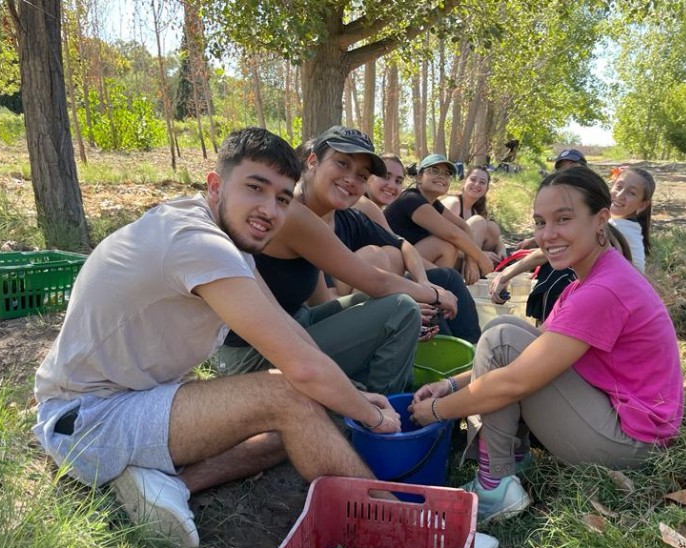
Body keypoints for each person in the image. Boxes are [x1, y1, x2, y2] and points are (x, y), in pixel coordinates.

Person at [32, 128, 402, 548]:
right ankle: (394, 530)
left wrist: (351, 396)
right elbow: (299, 368)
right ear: (215, 185)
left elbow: (290, 332)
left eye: (283, 198)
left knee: (303, 424)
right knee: (289, 398)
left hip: (139, 397)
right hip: (85, 420)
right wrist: (372, 416)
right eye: (255, 188)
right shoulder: (196, 242)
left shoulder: (230, 240)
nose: (269, 210)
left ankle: (171, 484)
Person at [408, 166, 683, 539]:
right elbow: (536, 348)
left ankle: (494, 486)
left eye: (563, 219)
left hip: (631, 443)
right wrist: (449, 387)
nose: (547, 234)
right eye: (540, 222)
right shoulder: (592, 277)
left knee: (502, 340)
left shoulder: (604, 289)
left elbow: (516, 379)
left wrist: (436, 411)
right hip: (618, 415)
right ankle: (511, 461)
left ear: (600, 219)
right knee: (503, 334)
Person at [212, 126, 461, 392]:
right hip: (251, 357)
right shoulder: (293, 214)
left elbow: (323, 300)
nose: (350, 179)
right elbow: (375, 281)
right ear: (312, 162)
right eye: (342, 163)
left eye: (361, 175)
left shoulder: (332, 217)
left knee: (397, 306)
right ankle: (383, 415)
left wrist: (383, 326)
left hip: (294, 325)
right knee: (401, 308)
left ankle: (385, 389)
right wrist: (431, 294)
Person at [356, 153, 482, 343]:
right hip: (371, 291)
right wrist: (483, 261)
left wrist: (428, 285)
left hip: (389, 280)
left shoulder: (374, 208)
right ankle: (466, 347)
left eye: (398, 180)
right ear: (368, 177)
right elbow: (452, 235)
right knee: (446, 277)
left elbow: (403, 245)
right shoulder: (398, 201)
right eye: (386, 176)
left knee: (445, 278)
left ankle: (464, 347)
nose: (392, 185)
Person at [383, 153, 495, 285]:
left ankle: (438, 293)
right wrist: (481, 257)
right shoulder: (411, 199)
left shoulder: (433, 204)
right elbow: (453, 234)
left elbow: (463, 227)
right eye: (434, 171)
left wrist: (471, 260)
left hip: (410, 260)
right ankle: (439, 290)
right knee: (444, 245)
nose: (442, 176)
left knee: (447, 247)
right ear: (419, 177)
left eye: (447, 173)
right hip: (390, 263)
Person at [442, 166, 506, 265]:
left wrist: (502, 250)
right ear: (464, 182)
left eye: (482, 182)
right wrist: (480, 254)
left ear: (486, 189)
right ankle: (473, 266)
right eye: (473, 179)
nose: (477, 184)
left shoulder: (476, 210)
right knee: (478, 222)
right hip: (445, 258)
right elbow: (443, 242)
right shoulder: (453, 203)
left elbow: (498, 239)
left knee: (492, 227)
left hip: (466, 257)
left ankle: (480, 266)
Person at [608, 166, 655, 273]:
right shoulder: (627, 226)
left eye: (631, 193)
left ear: (642, 206)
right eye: (619, 187)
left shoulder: (618, 228)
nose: (620, 195)